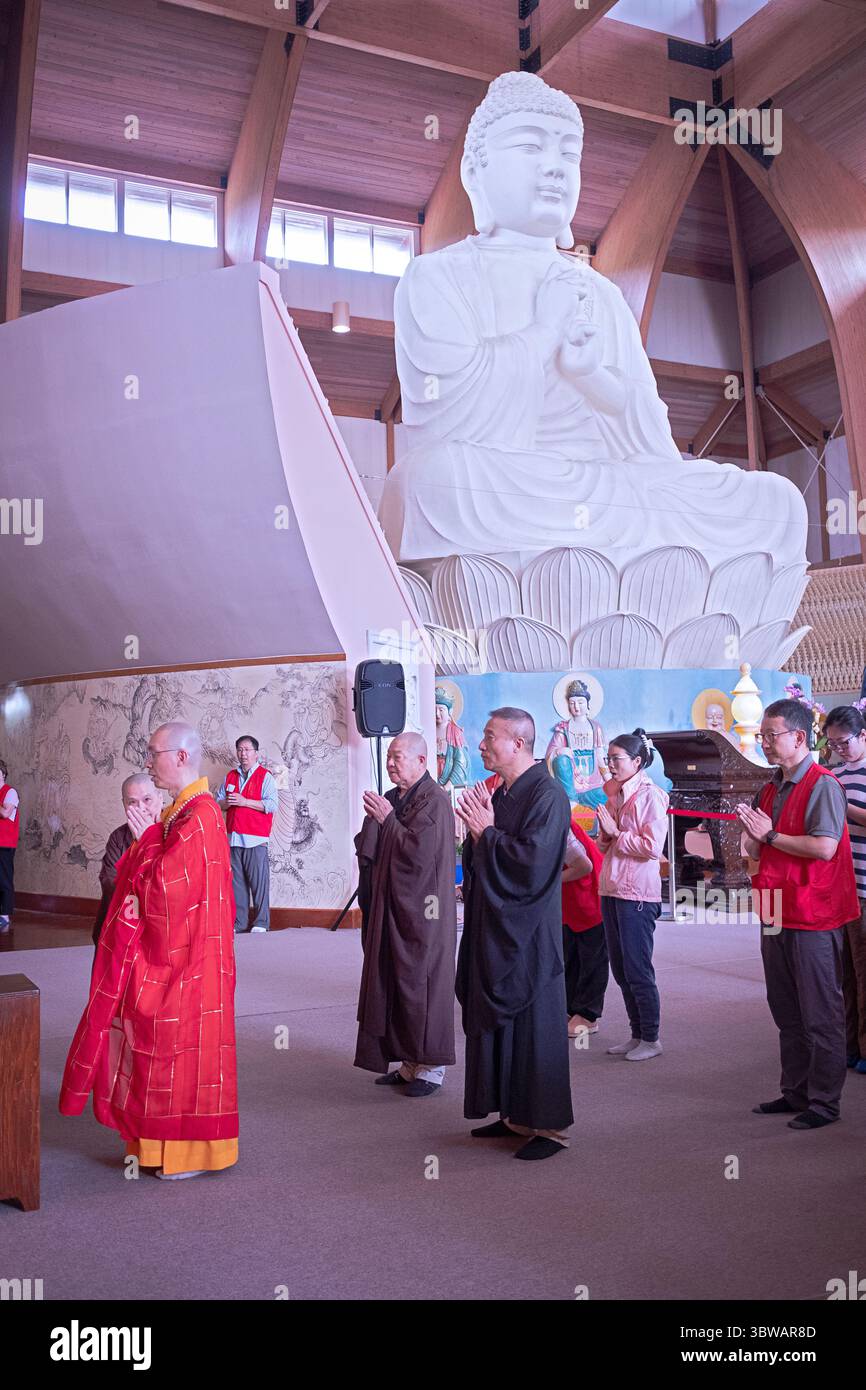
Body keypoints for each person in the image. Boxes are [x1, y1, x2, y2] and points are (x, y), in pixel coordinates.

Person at [60, 722, 238, 1179]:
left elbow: (165, 894)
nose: (146, 760)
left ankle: (186, 1153)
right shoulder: (181, 814)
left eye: (153, 752)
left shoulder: (199, 817)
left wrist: (143, 847)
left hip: (189, 960)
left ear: (180, 757)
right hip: (178, 952)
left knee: (175, 1047)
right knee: (157, 1043)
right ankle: (156, 1146)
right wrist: (146, 848)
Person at [456, 707, 572, 1160]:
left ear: (518, 744)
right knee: (498, 1021)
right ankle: (512, 1114)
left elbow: (535, 862)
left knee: (536, 1025)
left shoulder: (548, 794)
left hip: (529, 932)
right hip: (495, 925)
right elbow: (485, 853)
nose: (480, 745)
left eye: (489, 737)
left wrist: (486, 834)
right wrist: (477, 835)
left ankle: (551, 1126)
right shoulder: (501, 794)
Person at [737, 698, 859, 1130]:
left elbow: (824, 847)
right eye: (762, 736)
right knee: (785, 1005)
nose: (765, 743)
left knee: (820, 1010)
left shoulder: (823, 784)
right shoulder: (770, 787)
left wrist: (768, 834)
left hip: (813, 909)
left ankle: (824, 1102)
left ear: (799, 737)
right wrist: (753, 840)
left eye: (772, 735)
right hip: (774, 905)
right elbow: (756, 846)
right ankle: (796, 1091)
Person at [354, 732, 457, 1097]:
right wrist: (376, 823)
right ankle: (408, 1062)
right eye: (390, 757)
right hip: (393, 906)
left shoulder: (436, 801)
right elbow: (375, 847)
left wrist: (388, 822)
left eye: (399, 757)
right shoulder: (394, 798)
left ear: (422, 761)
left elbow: (420, 856)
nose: (392, 763)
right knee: (393, 979)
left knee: (421, 982)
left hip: (424, 912)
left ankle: (432, 1067)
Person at [597, 729, 669, 1062]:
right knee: (621, 968)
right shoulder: (618, 795)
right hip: (612, 888)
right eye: (609, 758)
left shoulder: (650, 796)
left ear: (637, 761)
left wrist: (616, 833)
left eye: (616, 759)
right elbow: (606, 844)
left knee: (638, 968)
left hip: (637, 892)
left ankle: (651, 1038)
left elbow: (652, 848)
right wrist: (607, 834)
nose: (610, 764)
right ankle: (636, 1033)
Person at [824, 706, 866, 1074]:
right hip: (841, 884)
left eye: (845, 741)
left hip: (865, 885)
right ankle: (849, 1043)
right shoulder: (834, 774)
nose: (839, 748)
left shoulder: (840, 784)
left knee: (864, 970)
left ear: (863, 736)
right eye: (833, 743)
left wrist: (842, 804)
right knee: (843, 973)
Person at [92, 774, 162, 946]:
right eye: (132, 802)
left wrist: (148, 841)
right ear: (124, 805)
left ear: (160, 799)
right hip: (122, 920)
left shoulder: (174, 832)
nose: (141, 808)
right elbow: (110, 882)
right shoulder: (118, 837)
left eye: (147, 799)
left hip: (160, 924)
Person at [216, 735, 277, 934]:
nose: (243, 754)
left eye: (247, 750)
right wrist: (228, 802)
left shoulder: (265, 776)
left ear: (256, 753)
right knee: (237, 885)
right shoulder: (230, 776)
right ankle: (239, 923)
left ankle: (261, 922)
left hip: (256, 839)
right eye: (240, 750)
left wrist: (244, 801)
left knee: (259, 884)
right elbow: (219, 803)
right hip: (233, 838)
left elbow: (271, 804)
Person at [561, 812, 607, 1037]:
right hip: (568, 899)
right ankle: (570, 1008)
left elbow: (583, 866)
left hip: (589, 895)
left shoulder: (556, 820)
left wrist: (547, 881)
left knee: (592, 957)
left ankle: (588, 1015)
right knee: (569, 955)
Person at [545, 679, 608, 819]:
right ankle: (571, 802)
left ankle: (585, 818)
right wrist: (559, 751)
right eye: (572, 703)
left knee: (608, 795)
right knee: (561, 760)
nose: (576, 707)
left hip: (593, 783)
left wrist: (609, 779)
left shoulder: (595, 727)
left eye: (580, 702)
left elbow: (600, 756)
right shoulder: (563, 728)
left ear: (587, 704)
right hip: (571, 783)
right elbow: (551, 754)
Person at [0, 757, 20, 932]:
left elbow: (6, 813)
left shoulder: (10, 792)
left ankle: (5, 915)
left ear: (2, 774)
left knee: (4, 878)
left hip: (4, 843)